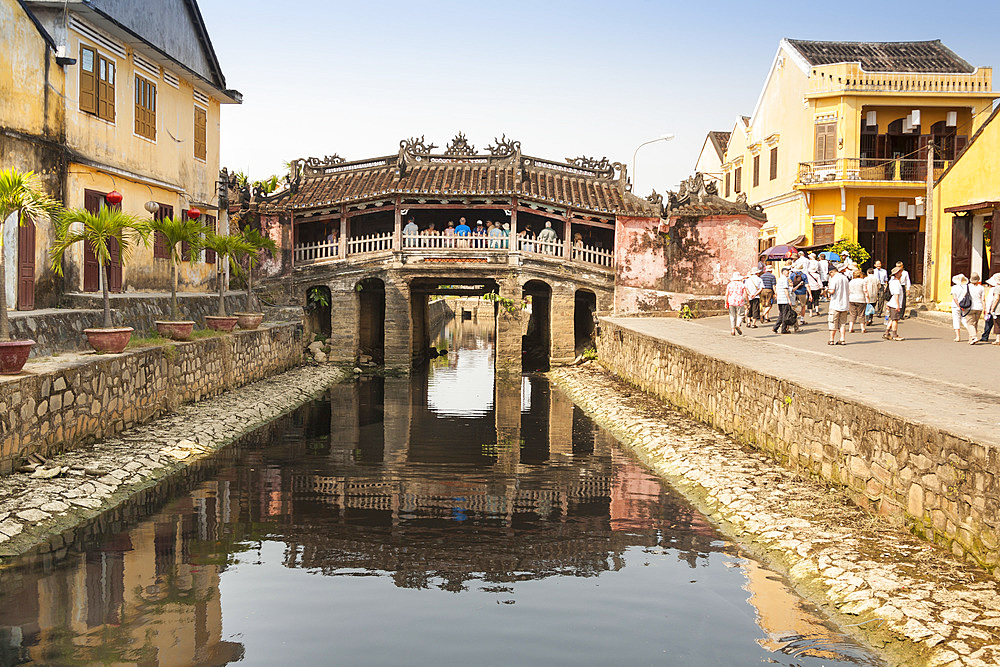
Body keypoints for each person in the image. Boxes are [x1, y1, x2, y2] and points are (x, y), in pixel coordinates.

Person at [827, 265, 850, 345]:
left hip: (835, 304)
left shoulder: (834, 279)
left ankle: (831, 339)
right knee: (842, 323)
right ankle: (842, 339)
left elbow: (832, 291)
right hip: (844, 304)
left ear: (832, 272)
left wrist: (827, 290)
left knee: (833, 322)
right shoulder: (845, 278)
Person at [884, 265, 905, 341]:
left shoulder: (892, 282)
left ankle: (887, 332)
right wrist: (898, 305)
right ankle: (895, 335)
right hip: (894, 303)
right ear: (896, 274)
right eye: (900, 272)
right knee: (895, 320)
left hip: (891, 303)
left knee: (893, 319)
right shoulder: (896, 283)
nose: (901, 274)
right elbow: (896, 295)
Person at [772, 267, 794, 334]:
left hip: (780, 299)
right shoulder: (784, 279)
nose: (788, 273)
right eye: (787, 272)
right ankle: (783, 329)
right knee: (785, 314)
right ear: (784, 272)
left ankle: (775, 327)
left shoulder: (779, 279)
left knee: (781, 314)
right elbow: (785, 289)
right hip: (784, 299)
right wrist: (789, 299)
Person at [725, 271, 748, 336]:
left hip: (731, 301)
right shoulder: (742, 284)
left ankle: (733, 330)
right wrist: (747, 302)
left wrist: (726, 302)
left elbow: (727, 294)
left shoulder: (729, 284)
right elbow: (745, 295)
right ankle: (738, 325)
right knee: (740, 314)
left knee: (732, 316)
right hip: (739, 301)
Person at [847, 268, 869, 334]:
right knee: (861, 314)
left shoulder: (851, 282)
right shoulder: (863, 281)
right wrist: (867, 297)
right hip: (861, 299)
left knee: (852, 314)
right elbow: (865, 290)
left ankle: (851, 328)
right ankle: (863, 328)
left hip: (852, 299)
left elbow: (849, 291)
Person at [985, 274, 1000, 345]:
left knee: (997, 324)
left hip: (998, 309)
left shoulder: (997, 288)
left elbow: (995, 299)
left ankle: (998, 339)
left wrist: (991, 309)